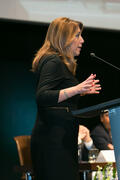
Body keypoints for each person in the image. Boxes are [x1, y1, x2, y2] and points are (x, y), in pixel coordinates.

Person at [30, 17, 101, 180]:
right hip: (53, 144)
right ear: (64, 38)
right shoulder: (53, 61)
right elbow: (42, 96)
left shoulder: (58, 62)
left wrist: (79, 92)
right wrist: (76, 89)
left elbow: (57, 94)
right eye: (77, 35)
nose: (82, 40)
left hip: (60, 140)